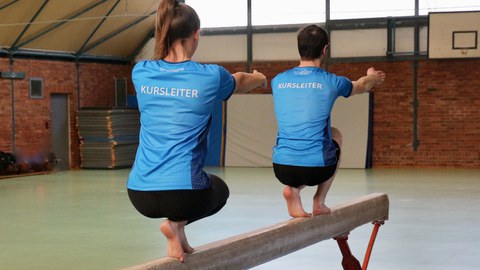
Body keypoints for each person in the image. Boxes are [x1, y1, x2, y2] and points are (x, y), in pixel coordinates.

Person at [126, 0, 267, 262]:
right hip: (183, 195)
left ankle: (177, 233)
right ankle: (177, 225)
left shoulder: (141, 72)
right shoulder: (209, 77)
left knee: (183, 192)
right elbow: (240, 80)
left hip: (139, 193)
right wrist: (259, 78)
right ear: (196, 34)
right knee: (220, 190)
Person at [271, 24, 385, 218]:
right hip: (317, 169)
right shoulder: (331, 81)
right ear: (325, 50)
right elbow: (361, 86)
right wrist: (372, 77)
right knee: (336, 135)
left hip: (281, 167)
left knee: (299, 141)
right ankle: (319, 201)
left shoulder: (278, 81)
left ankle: (293, 190)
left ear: (299, 48)